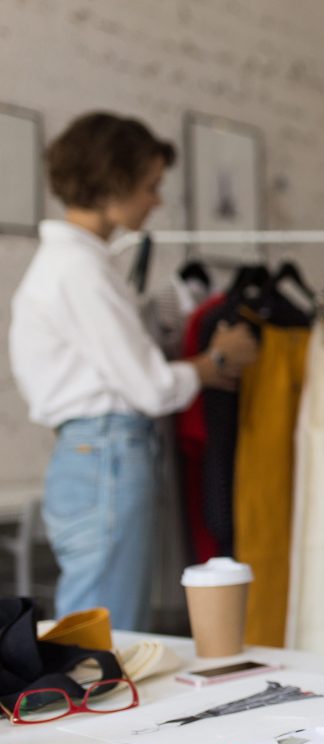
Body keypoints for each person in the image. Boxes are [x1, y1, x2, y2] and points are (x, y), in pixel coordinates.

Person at [9, 112, 258, 631]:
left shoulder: (74, 266)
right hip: (108, 456)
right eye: (150, 186)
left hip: (95, 454)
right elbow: (149, 387)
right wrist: (215, 362)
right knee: (104, 638)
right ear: (114, 182)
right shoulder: (81, 271)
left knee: (101, 628)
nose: (156, 201)